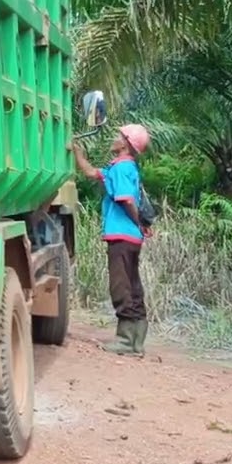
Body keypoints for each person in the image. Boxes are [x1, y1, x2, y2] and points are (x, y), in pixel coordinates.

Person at [69, 123, 151, 357]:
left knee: (121, 286)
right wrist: (77, 153)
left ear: (126, 144)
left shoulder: (121, 168)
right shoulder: (124, 167)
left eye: (119, 136)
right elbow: (91, 173)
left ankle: (125, 340)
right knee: (133, 284)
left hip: (122, 235)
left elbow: (125, 200)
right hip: (131, 238)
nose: (114, 139)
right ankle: (137, 341)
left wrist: (139, 223)